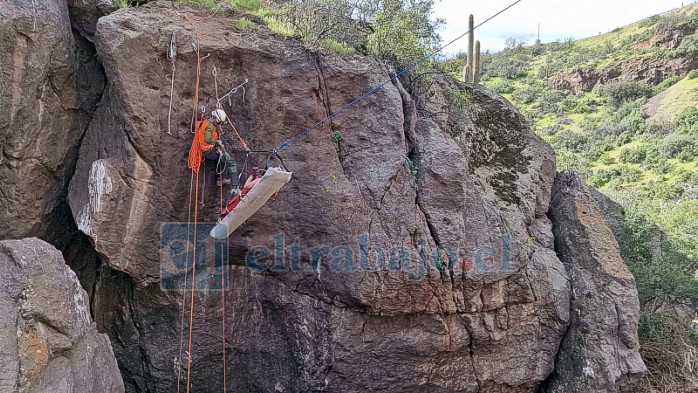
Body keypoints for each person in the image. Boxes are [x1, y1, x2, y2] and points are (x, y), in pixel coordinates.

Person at [198, 109, 238, 187]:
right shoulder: (210, 126)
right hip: (209, 151)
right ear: (215, 118)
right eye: (219, 122)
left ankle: (221, 178)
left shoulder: (206, 122)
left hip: (206, 150)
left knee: (223, 159)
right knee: (231, 162)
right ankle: (235, 187)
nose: (218, 124)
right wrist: (217, 142)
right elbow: (207, 139)